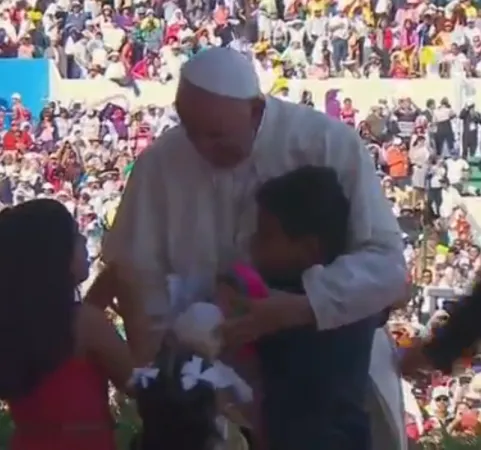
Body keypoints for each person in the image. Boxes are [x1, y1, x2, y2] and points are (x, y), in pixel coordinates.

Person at [100, 47, 405, 449]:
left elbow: (386, 268)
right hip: (209, 382)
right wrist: (169, 370)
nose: (203, 149)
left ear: (256, 110)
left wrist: (299, 307)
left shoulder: (327, 143)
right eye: (192, 132)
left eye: (217, 135)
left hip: (327, 379)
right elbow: (138, 278)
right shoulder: (162, 162)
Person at [0, 199, 133, 450]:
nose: (84, 242)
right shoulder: (85, 323)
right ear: (53, 252)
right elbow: (137, 382)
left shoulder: (15, 320)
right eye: (75, 235)